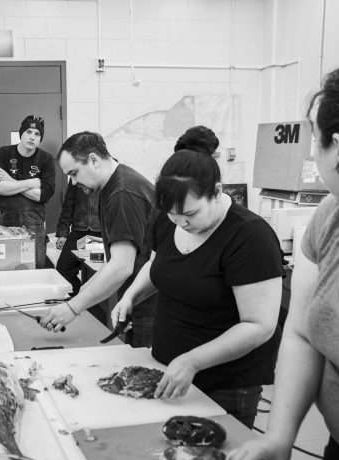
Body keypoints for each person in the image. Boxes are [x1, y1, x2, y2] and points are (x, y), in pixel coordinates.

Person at [226, 61, 339, 460]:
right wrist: (280, 434)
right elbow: (301, 331)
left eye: (314, 141)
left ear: (336, 148)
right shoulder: (334, 216)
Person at [111, 126, 283, 428]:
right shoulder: (167, 219)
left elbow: (259, 325)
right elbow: (157, 264)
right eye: (172, 214)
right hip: (167, 368)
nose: (181, 222)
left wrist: (193, 360)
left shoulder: (249, 236)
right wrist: (130, 296)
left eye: (190, 214)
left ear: (217, 192)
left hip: (225, 383)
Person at [40, 131, 156, 348]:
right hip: (137, 300)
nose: (74, 182)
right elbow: (115, 261)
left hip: (151, 306)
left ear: (93, 160)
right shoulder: (111, 186)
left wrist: (73, 307)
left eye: (74, 173)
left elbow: (121, 266)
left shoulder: (123, 193)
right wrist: (81, 295)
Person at [0, 114, 57, 268]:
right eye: (28, 132)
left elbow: (43, 195)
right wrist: (32, 183)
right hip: (6, 221)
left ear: (40, 138)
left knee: (35, 265)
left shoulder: (46, 159)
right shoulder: (3, 153)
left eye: (37, 134)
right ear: (21, 133)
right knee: (4, 265)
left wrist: (10, 181)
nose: (32, 137)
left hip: (34, 223)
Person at [54, 178, 101, 296]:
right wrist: (62, 233)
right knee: (62, 270)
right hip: (78, 233)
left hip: (100, 235)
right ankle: (77, 295)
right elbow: (68, 205)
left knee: (95, 271)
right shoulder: (77, 177)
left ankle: (92, 299)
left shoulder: (107, 174)